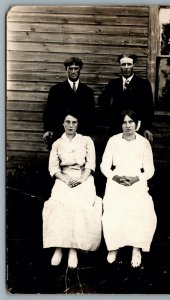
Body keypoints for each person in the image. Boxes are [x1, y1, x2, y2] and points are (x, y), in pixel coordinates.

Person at [42, 110, 102, 268]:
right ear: (62, 123)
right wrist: (65, 179)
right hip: (64, 178)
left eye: (74, 122)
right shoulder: (57, 143)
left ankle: (74, 249)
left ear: (78, 124)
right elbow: (53, 168)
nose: (70, 125)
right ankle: (59, 247)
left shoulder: (86, 141)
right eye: (67, 122)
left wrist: (82, 179)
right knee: (58, 205)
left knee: (79, 205)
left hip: (84, 177)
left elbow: (90, 164)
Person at [100, 110, 157, 267]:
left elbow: (150, 170)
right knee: (113, 211)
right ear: (121, 125)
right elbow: (104, 166)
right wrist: (115, 177)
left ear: (137, 124)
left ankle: (136, 248)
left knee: (142, 211)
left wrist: (135, 179)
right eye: (124, 122)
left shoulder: (143, 143)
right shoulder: (113, 141)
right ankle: (113, 247)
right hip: (117, 181)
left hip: (136, 181)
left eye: (131, 122)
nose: (128, 125)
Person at [98, 54, 154, 141]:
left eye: (129, 64)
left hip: (136, 128)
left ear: (133, 65)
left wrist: (146, 127)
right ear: (120, 65)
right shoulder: (113, 83)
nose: (126, 67)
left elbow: (148, 108)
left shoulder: (143, 84)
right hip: (117, 128)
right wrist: (112, 116)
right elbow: (102, 100)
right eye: (123, 64)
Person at [43, 56, 95, 149]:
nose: (73, 71)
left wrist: (89, 135)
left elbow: (91, 115)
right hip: (60, 133)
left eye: (76, 68)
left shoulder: (88, 92)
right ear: (66, 69)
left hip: (81, 134)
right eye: (70, 69)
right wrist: (48, 129)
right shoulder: (56, 90)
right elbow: (49, 111)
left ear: (80, 69)